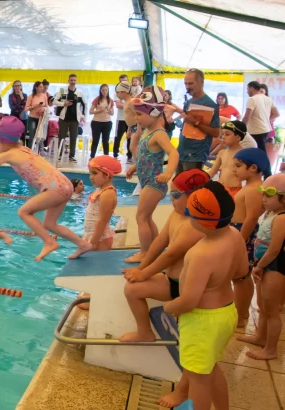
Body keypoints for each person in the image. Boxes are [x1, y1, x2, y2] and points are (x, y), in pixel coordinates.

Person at [0, 116, 93, 261]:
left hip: (54, 189)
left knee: (24, 212)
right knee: (49, 224)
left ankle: (49, 242)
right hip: (65, 184)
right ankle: (82, 244)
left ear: (4, 141)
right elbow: (5, 157)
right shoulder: (22, 149)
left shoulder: (10, 154)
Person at [160, 181, 246, 410]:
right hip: (226, 312)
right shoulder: (235, 235)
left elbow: (188, 301)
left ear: (199, 220)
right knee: (210, 368)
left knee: (198, 380)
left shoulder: (200, 254)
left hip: (202, 322)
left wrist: (169, 308)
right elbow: (241, 271)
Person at [120, 169, 210, 344]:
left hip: (184, 287)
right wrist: (141, 268)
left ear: (194, 197)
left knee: (133, 289)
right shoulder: (177, 214)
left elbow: (171, 255)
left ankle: (147, 333)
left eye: (176, 195)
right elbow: (161, 241)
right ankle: (144, 333)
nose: (171, 198)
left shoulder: (195, 225)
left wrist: (144, 274)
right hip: (171, 280)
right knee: (132, 289)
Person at [124, 86, 180, 263]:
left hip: (155, 183)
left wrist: (168, 172)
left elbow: (174, 153)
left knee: (141, 217)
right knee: (146, 217)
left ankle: (145, 252)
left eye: (140, 115)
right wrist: (135, 167)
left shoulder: (159, 134)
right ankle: (155, 249)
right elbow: (144, 155)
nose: (136, 118)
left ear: (155, 112)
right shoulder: (147, 132)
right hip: (148, 181)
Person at [237, 174, 285, 360]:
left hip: (274, 266)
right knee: (263, 306)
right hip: (264, 265)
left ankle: (271, 350)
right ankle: (260, 337)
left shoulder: (281, 218)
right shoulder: (271, 214)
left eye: (268, 196)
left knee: (272, 311)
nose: (263, 199)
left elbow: (274, 249)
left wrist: (259, 267)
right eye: (262, 195)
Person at [230, 147, 269, 327]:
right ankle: (242, 313)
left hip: (243, 233)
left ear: (253, 168)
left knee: (240, 278)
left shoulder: (254, 189)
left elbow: (252, 217)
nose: (234, 170)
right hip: (240, 232)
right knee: (241, 277)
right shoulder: (251, 187)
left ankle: (240, 315)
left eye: (238, 166)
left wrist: (239, 239)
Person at [177, 69, 221, 172]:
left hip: (195, 155)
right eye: (185, 83)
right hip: (182, 152)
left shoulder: (210, 104)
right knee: (178, 185)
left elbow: (215, 132)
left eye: (191, 83)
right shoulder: (189, 102)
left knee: (191, 187)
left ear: (201, 83)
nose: (187, 86)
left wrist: (196, 123)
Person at [83, 156, 120, 250]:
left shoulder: (108, 193)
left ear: (107, 175)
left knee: (98, 263)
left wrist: (94, 240)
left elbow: (103, 220)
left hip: (100, 238)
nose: (91, 177)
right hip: (93, 234)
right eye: (90, 173)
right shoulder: (100, 190)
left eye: (94, 173)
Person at [208, 121, 247, 197]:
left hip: (234, 191)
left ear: (238, 137)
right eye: (222, 134)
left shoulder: (244, 154)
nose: (223, 137)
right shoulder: (222, 153)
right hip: (220, 189)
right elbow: (212, 171)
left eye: (227, 134)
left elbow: (250, 176)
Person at [53, 74, 86, 162]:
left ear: (76, 81)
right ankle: (59, 154)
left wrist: (83, 115)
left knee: (73, 137)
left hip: (75, 119)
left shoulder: (80, 92)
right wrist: (63, 104)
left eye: (74, 80)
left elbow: (85, 104)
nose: (73, 82)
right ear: (68, 81)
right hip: (63, 118)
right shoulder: (62, 91)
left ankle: (72, 156)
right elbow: (54, 101)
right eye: (71, 80)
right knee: (61, 137)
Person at [243, 81, 279, 151]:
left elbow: (247, 117)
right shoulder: (268, 99)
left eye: (247, 89)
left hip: (256, 130)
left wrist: (241, 129)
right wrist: (266, 120)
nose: (247, 91)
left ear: (252, 88)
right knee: (260, 150)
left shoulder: (252, 99)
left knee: (259, 152)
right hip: (266, 129)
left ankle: (263, 162)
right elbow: (276, 113)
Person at [89, 84, 114, 158]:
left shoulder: (110, 100)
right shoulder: (97, 99)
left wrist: (110, 111)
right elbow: (91, 111)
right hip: (96, 122)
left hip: (107, 122)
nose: (105, 92)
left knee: (106, 141)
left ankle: (106, 157)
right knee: (95, 140)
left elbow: (112, 113)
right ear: (100, 91)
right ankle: (92, 156)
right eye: (103, 90)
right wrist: (98, 110)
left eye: (106, 90)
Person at [113, 82, 135, 163]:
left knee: (133, 147)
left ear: (124, 92)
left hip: (136, 128)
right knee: (132, 147)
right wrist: (129, 129)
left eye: (118, 93)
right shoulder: (126, 103)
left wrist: (138, 129)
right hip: (131, 127)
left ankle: (138, 164)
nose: (117, 95)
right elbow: (130, 118)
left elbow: (138, 117)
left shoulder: (132, 102)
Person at [24, 80, 49, 149]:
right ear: (36, 88)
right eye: (40, 87)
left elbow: (46, 107)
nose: (42, 88)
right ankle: (29, 151)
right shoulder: (31, 96)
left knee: (40, 136)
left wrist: (43, 110)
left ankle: (39, 151)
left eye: (42, 87)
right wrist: (33, 107)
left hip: (41, 118)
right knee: (32, 135)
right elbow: (26, 109)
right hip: (32, 118)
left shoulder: (44, 96)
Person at [9, 80, 28, 145]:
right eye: (16, 86)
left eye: (19, 85)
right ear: (13, 87)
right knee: (13, 134)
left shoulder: (24, 95)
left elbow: (25, 106)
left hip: (23, 117)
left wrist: (21, 97)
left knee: (22, 134)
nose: (18, 87)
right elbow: (12, 107)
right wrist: (20, 104)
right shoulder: (11, 96)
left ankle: (22, 149)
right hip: (14, 116)